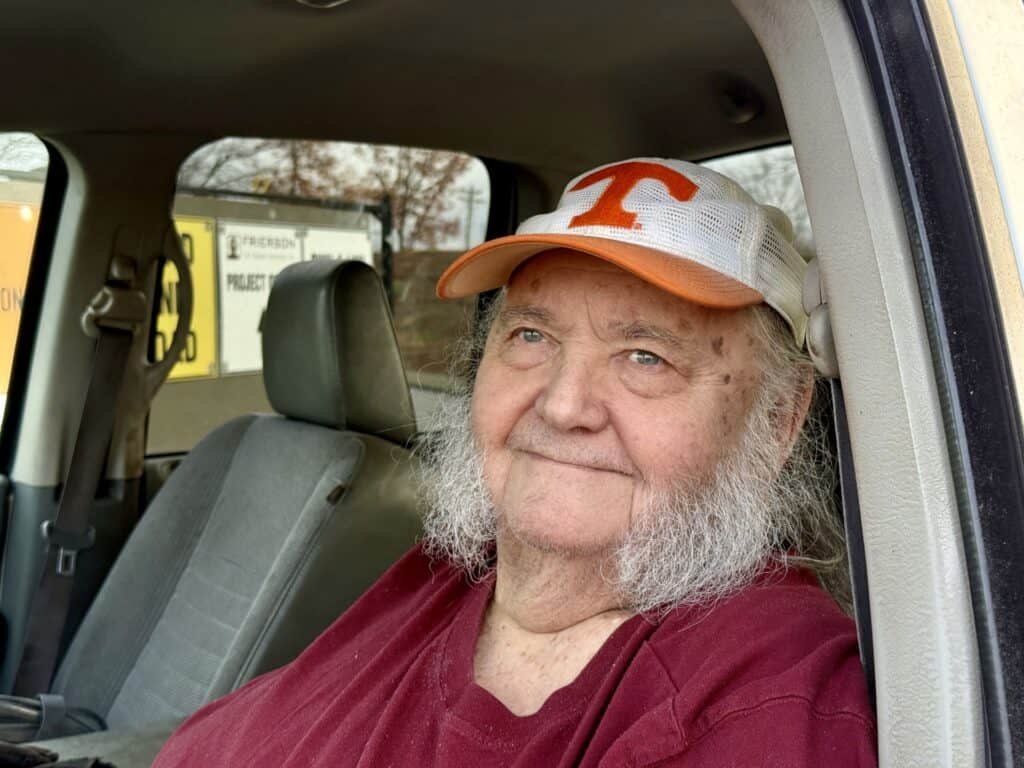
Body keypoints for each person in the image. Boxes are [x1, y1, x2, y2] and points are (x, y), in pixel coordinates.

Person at [153, 158, 876, 767]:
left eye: (646, 356)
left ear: (778, 422)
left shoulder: (769, 703)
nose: (563, 406)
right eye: (531, 335)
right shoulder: (450, 572)